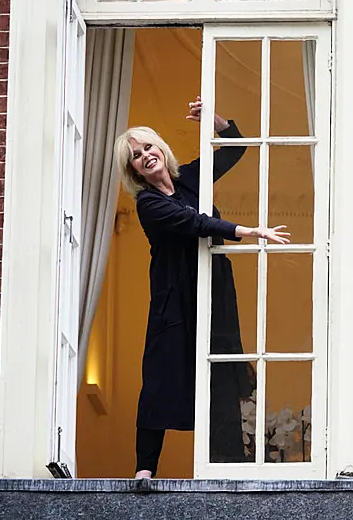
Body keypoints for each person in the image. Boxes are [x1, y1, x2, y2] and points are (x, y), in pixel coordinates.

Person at [115, 97, 290, 479]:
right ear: (133, 170)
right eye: (135, 155)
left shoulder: (189, 179)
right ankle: (146, 467)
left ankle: (228, 463)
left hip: (215, 292)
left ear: (161, 149)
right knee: (162, 374)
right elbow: (193, 222)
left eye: (149, 147)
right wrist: (246, 230)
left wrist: (215, 120)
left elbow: (237, 148)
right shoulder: (147, 203)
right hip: (175, 298)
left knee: (223, 373)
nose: (145, 155)